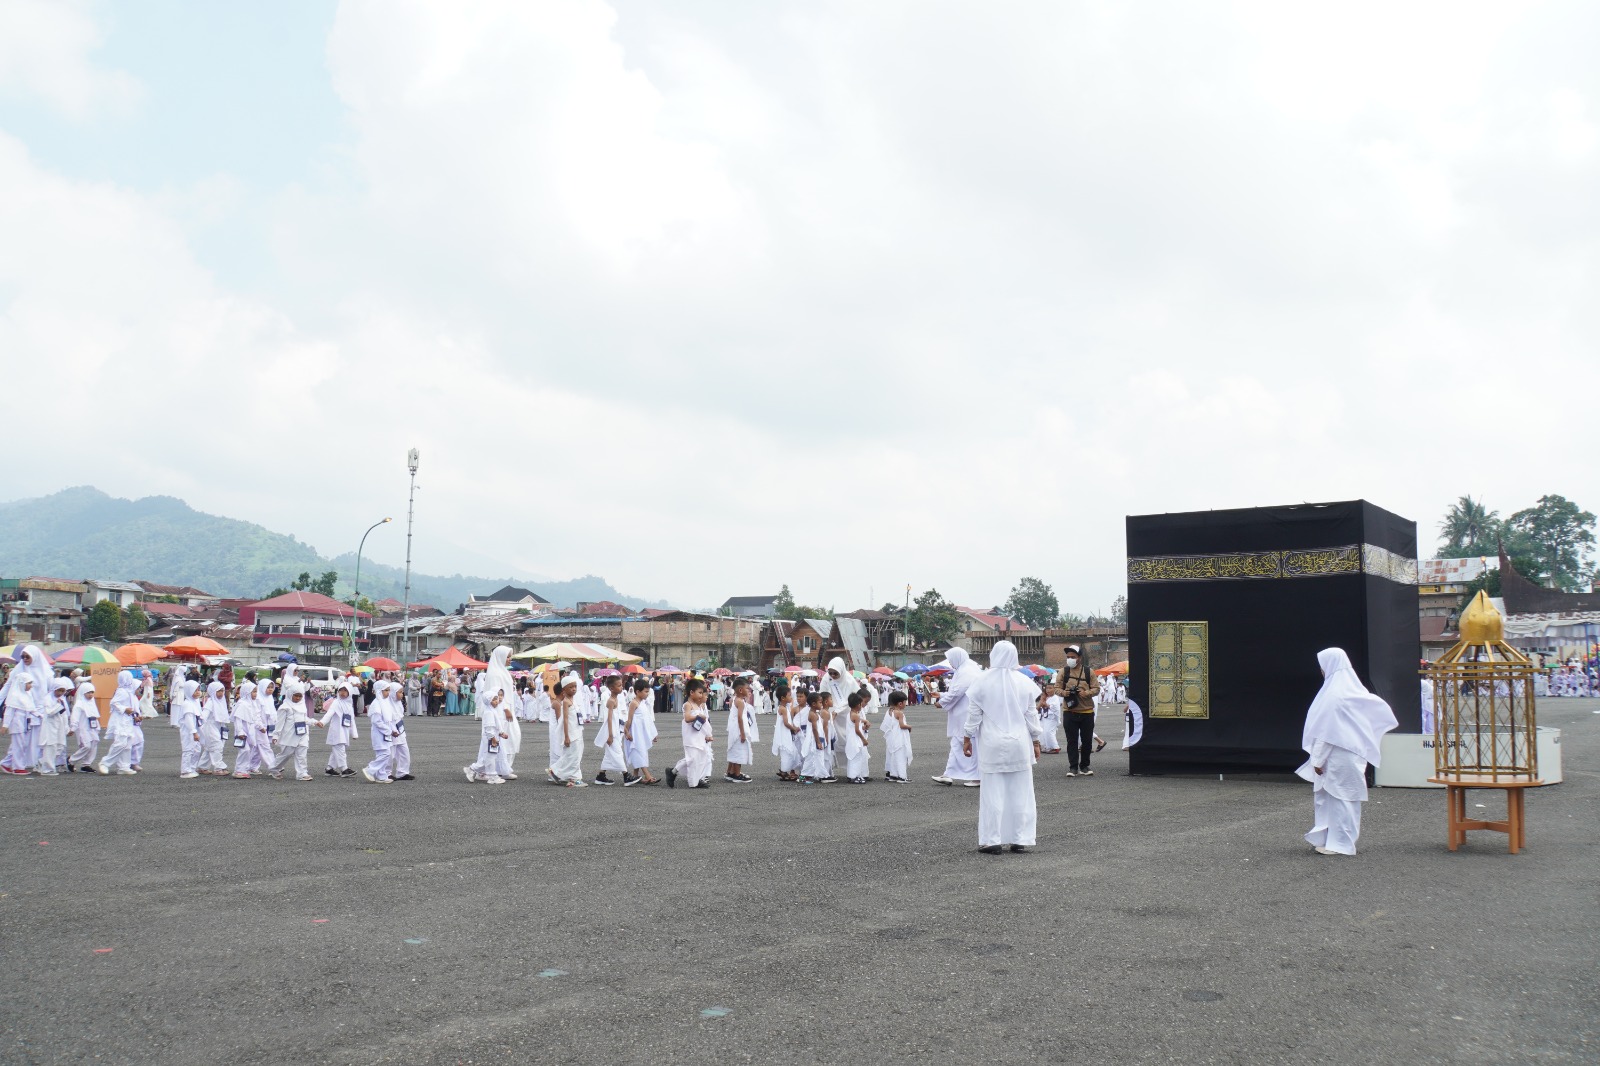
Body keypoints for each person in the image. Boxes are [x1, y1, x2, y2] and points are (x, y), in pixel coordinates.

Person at [1298, 648, 1398, 857]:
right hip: (1347, 755)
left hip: (1338, 756)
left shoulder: (1334, 695)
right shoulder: (1350, 691)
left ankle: (1341, 843)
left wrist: (1317, 759)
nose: (1321, 671)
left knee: (1340, 799)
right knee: (1339, 799)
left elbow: (1326, 732)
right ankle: (1334, 840)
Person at [962, 640, 1043, 854]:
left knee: (992, 793)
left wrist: (967, 737)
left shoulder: (981, 682)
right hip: (1019, 742)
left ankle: (992, 840)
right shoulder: (1024, 682)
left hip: (991, 743)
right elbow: (1031, 715)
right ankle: (1020, 838)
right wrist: (1036, 741)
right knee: (1021, 792)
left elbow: (973, 716)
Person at [932, 647, 981, 787]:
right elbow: (956, 690)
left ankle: (977, 777)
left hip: (966, 713)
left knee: (967, 744)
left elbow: (958, 691)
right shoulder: (966, 668)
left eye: (951, 660)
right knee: (958, 744)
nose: (951, 663)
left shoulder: (967, 671)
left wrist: (942, 702)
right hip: (963, 713)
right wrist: (941, 695)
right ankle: (948, 774)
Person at [4, 646, 52, 775]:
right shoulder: (18, 670)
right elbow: (8, 687)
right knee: (21, 740)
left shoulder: (46, 671)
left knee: (30, 740)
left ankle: (10, 763)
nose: (25, 659)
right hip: (22, 710)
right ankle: (12, 763)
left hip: (39, 710)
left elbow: (52, 691)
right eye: (23, 656)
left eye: (27, 656)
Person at [1059, 645, 1100, 777]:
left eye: (1073, 657)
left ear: (1080, 658)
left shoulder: (1089, 672)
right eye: (1068, 657)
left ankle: (1085, 766)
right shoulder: (1063, 672)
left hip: (1087, 711)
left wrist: (1086, 693)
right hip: (1069, 711)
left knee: (1087, 740)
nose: (1070, 659)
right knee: (1071, 741)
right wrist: (1064, 692)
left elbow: (1097, 689)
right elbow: (1055, 688)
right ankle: (1073, 767)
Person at [667, 678, 714, 789]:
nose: (701, 695)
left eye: (702, 693)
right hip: (690, 736)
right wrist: (697, 717)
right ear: (691, 692)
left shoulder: (700, 706)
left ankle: (697, 779)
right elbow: (687, 718)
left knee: (701, 757)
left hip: (700, 736)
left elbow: (705, 723)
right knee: (692, 758)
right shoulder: (688, 705)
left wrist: (708, 735)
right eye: (700, 693)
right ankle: (677, 774)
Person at [266, 680, 314, 781]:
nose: (297, 698)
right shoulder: (285, 707)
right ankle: (274, 768)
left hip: (302, 733)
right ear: (290, 695)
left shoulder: (302, 706)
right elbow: (279, 723)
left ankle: (302, 773)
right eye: (295, 696)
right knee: (286, 754)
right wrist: (276, 735)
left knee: (302, 753)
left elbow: (304, 719)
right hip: (290, 735)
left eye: (300, 696)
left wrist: (314, 722)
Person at [98, 670, 141, 775]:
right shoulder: (121, 691)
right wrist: (125, 709)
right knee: (120, 743)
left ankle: (124, 766)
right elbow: (113, 703)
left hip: (127, 720)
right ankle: (105, 763)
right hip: (120, 720)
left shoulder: (129, 692)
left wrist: (134, 715)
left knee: (128, 744)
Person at [548, 672, 586, 787]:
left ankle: (555, 771)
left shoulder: (574, 701)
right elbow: (564, 720)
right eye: (571, 687)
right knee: (573, 757)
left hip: (578, 732)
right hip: (571, 734)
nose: (574, 689)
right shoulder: (565, 702)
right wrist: (566, 736)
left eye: (575, 686)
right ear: (564, 690)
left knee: (575, 755)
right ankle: (573, 779)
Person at [622, 677, 659, 786]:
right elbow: (629, 719)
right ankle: (648, 776)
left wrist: (652, 734)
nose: (647, 694)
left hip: (642, 733)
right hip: (635, 733)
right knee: (639, 752)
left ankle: (635, 776)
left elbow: (647, 720)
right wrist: (626, 731)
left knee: (640, 752)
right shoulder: (634, 703)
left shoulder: (643, 703)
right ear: (638, 692)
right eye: (646, 691)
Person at [593, 675, 628, 785]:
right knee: (617, 753)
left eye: (621, 685)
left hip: (616, 730)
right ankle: (626, 775)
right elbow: (609, 719)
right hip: (611, 732)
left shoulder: (616, 699)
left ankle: (601, 775)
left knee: (609, 755)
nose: (621, 687)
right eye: (619, 685)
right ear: (612, 688)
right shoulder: (611, 700)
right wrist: (610, 735)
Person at [724, 677, 757, 783]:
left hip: (734, 729)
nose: (749, 691)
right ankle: (737, 774)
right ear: (741, 690)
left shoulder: (735, 699)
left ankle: (730, 771)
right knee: (739, 751)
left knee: (733, 750)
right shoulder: (740, 702)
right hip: (738, 730)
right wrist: (742, 733)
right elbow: (740, 718)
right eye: (747, 689)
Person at [38, 677, 72, 775]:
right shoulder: (48, 698)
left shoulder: (61, 700)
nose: (61, 693)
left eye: (63, 691)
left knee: (60, 746)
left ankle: (42, 762)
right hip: (50, 726)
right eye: (59, 690)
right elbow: (49, 712)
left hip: (59, 726)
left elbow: (64, 714)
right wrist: (58, 706)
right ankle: (47, 769)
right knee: (50, 746)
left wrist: (67, 728)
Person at [68, 680, 102, 772]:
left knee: (94, 744)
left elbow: (94, 716)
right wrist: (73, 728)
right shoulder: (79, 704)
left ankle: (86, 764)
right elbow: (75, 717)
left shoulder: (92, 703)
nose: (90, 695)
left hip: (92, 728)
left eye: (92, 692)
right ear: (83, 692)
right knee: (86, 746)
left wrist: (97, 727)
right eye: (88, 692)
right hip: (82, 728)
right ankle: (71, 760)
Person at [198, 680, 231, 775]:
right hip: (210, 726)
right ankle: (218, 767)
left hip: (220, 726)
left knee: (210, 747)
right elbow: (204, 715)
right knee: (217, 746)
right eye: (218, 691)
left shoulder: (222, 702)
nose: (221, 693)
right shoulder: (210, 702)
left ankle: (203, 766)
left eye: (222, 691)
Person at [771, 681, 801, 782]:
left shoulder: (785, 707)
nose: (791, 697)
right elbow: (785, 723)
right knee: (787, 752)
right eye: (789, 695)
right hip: (784, 733)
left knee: (790, 751)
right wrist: (794, 728)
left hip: (786, 733)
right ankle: (784, 771)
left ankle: (786, 770)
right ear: (783, 698)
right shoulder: (783, 709)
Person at [880, 689, 913, 783]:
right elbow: (902, 725)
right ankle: (902, 776)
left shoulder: (889, 711)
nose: (905, 704)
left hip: (891, 738)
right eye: (905, 702)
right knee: (900, 756)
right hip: (899, 738)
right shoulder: (899, 713)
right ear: (900, 704)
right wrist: (909, 727)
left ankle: (892, 774)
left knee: (892, 755)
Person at [175, 678, 205, 779]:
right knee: (188, 750)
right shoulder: (187, 704)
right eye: (195, 690)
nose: (198, 692)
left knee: (196, 749)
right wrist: (194, 732)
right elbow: (189, 720)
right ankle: (185, 770)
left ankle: (192, 768)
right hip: (189, 732)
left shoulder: (195, 702)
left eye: (198, 690)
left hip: (195, 730)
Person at [843, 690, 871, 783]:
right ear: (858, 705)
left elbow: (856, 727)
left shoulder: (850, 714)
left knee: (853, 758)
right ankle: (854, 776)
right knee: (857, 757)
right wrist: (863, 739)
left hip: (851, 739)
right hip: (856, 739)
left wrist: (863, 725)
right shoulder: (857, 716)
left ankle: (852, 775)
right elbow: (857, 730)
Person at [1039, 684, 1063, 755]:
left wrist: (1045, 704)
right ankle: (1048, 747)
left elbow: (1055, 708)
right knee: (1045, 732)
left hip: (1052, 718)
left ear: (1054, 689)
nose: (1048, 690)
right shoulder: (1048, 698)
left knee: (1049, 732)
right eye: (1047, 688)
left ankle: (1055, 747)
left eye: (1050, 688)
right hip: (1046, 717)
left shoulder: (1055, 697)